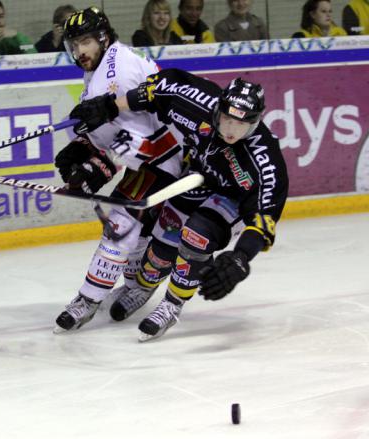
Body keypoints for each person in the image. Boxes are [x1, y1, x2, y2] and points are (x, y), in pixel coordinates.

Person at [68, 70, 289, 341]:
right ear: (218, 108)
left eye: (241, 125)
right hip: (196, 180)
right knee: (160, 251)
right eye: (228, 120)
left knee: (196, 236)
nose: (231, 130)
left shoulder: (264, 160)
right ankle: (144, 286)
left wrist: (241, 257)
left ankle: (172, 305)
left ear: (255, 123)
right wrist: (110, 105)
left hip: (231, 200)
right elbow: (157, 88)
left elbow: (263, 221)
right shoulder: (198, 103)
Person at [52, 7, 184, 333]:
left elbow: (144, 137)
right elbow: (117, 129)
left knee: (121, 224)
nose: (80, 51)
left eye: (85, 42)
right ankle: (139, 285)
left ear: (103, 37)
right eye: (74, 44)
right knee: (137, 230)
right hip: (156, 157)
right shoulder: (106, 63)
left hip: (166, 158)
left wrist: (99, 166)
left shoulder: (115, 75)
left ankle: (88, 299)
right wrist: (85, 150)